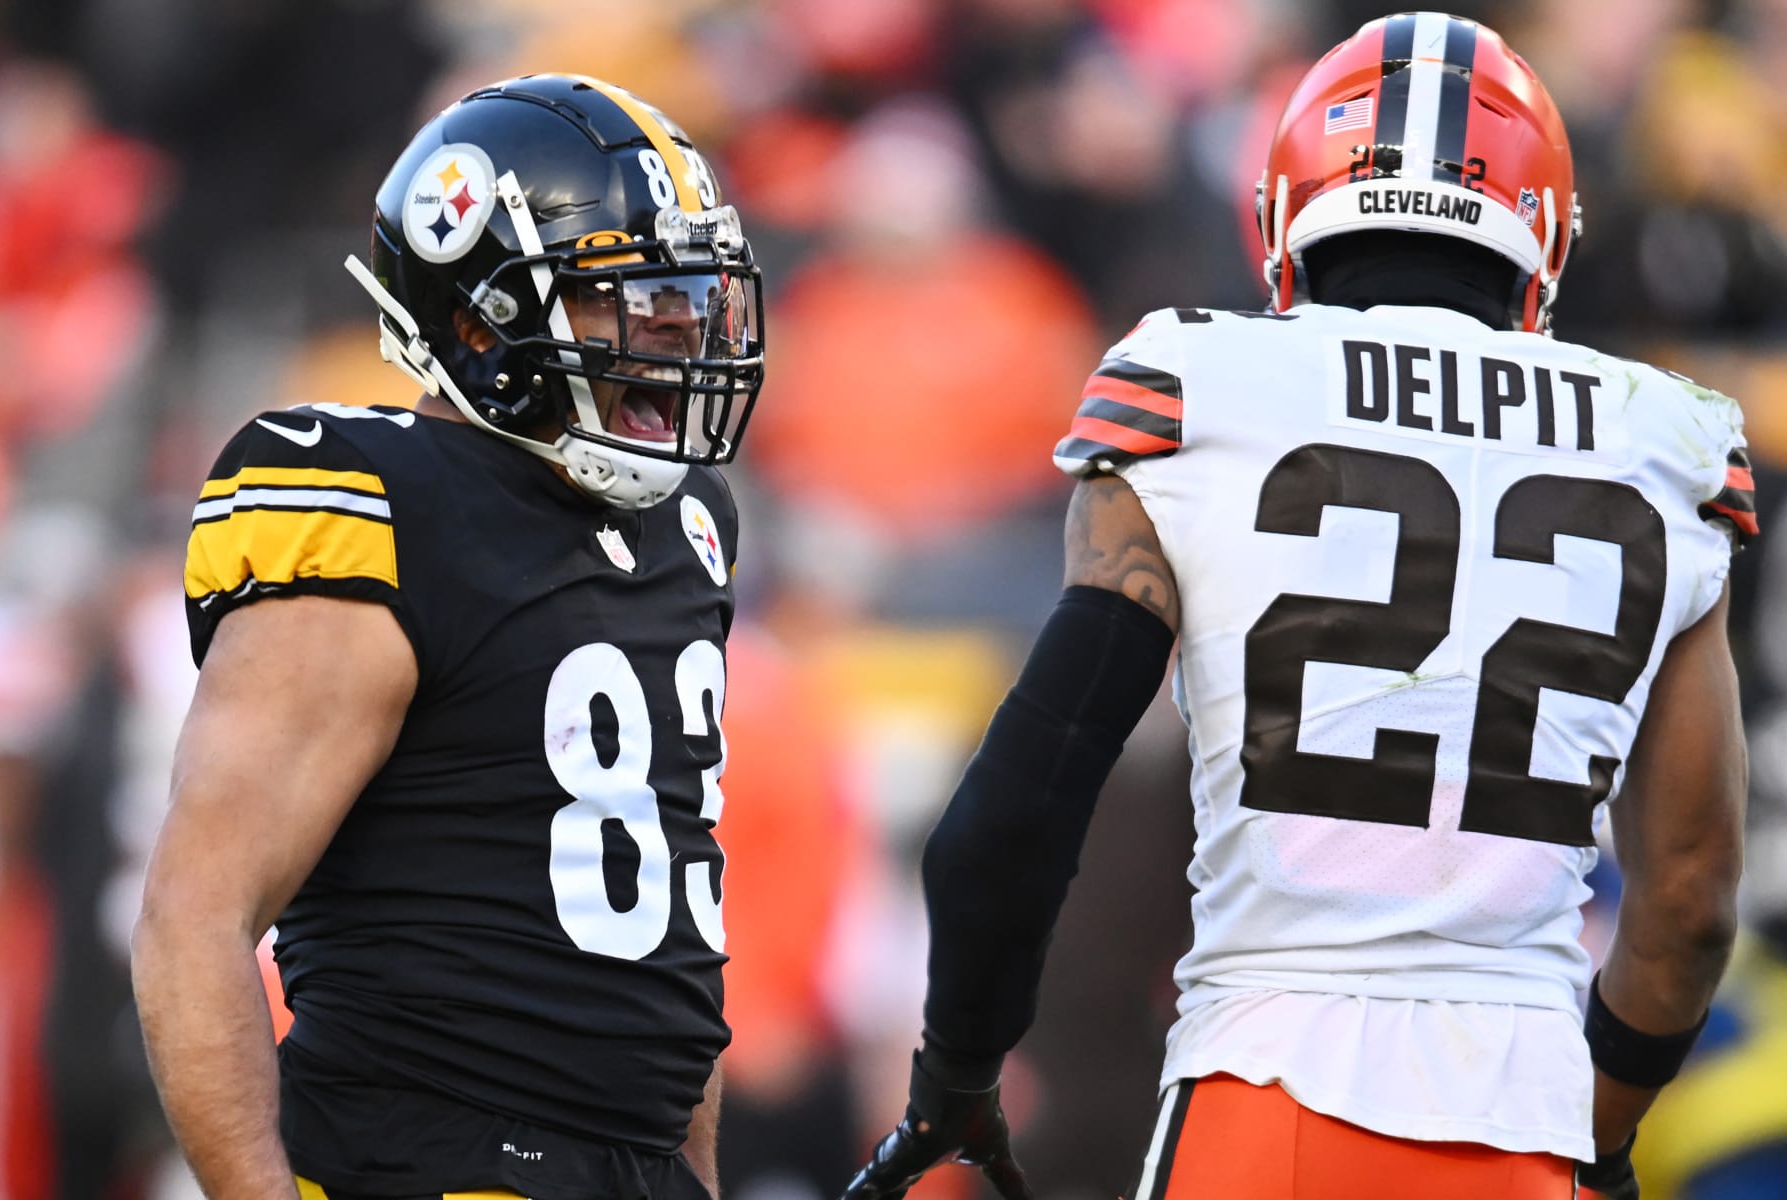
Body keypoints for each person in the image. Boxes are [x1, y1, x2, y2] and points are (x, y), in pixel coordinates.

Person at [840, 13, 1754, 1200]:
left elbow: (1013, 820)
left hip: (1261, 1101)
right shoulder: (1662, 443)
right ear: (1542, 238)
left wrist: (957, 1071)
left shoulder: (1196, 386)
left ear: (1283, 212)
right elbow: (1688, 902)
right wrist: (1605, 1134)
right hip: (1521, 1112)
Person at [131, 73, 764, 1200]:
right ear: (484, 322)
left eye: (689, 298)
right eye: (632, 299)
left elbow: (669, 949)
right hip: (428, 1153)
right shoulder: (369, 496)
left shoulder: (687, 523)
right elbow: (196, 915)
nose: (676, 334)